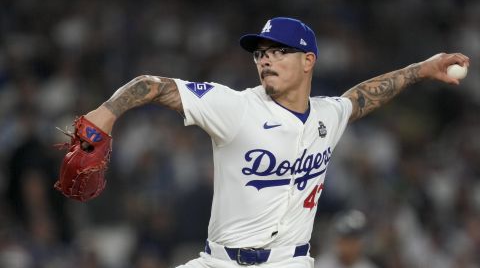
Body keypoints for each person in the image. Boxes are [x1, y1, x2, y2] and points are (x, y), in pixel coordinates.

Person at [79, 17, 469, 267]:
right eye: (261, 53)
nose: (266, 59)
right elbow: (154, 85)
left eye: (279, 51)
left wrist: (421, 69)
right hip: (220, 263)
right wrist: (105, 114)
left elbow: (364, 95)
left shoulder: (327, 115)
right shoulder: (235, 108)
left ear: (309, 61)